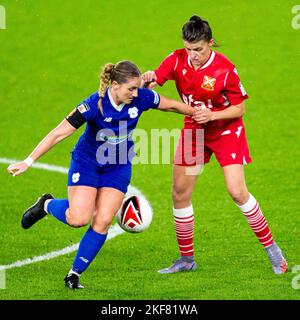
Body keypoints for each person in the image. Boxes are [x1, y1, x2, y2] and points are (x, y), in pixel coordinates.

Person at [7, 60, 198, 289]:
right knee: (78, 218)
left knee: (104, 219)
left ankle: (74, 274)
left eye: (137, 88)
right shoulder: (93, 105)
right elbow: (59, 133)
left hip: (118, 164)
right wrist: (29, 160)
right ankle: (46, 205)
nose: (136, 93)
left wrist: (197, 113)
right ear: (115, 85)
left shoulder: (141, 98)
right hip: (87, 162)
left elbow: (171, 106)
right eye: (131, 89)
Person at [142, 15, 288, 275]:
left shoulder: (225, 69)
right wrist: (147, 79)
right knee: (179, 193)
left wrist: (213, 116)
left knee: (236, 191)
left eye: (198, 50)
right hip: (194, 129)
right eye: (188, 49)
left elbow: (239, 107)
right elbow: (154, 84)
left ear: (210, 43)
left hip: (225, 130)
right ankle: (186, 260)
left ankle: (274, 251)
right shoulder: (176, 59)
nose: (193, 55)